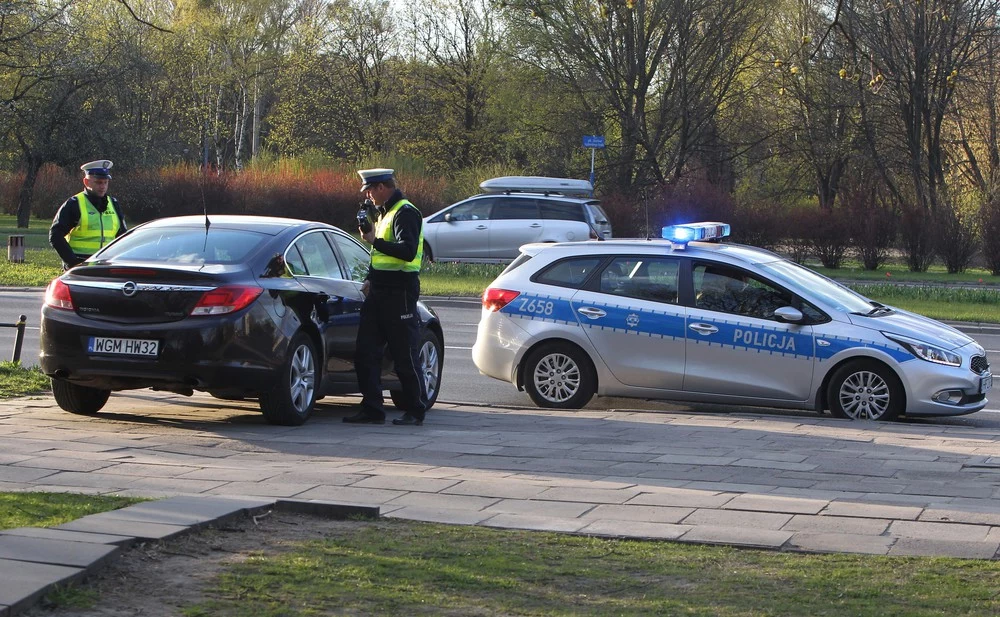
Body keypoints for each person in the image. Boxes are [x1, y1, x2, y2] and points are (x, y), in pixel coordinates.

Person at [344, 168, 428, 426]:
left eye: (370, 190)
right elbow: (379, 258)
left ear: (382, 187)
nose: (368, 196)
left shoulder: (405, 212)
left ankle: (415, 409)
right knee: (366, 352)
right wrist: (370, 277)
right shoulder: (385, 213)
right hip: (379, 290)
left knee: (404, 354)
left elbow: (407, 250)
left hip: (400, 292)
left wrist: (373, 241)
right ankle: (372, 408)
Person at [49, 160, 127, 269]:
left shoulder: (113, 204)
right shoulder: (74, 203)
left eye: (105, 182)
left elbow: (123, 237)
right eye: (98, 182)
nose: (103, 186)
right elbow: (55, 235)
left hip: (107, 265)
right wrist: (73, 263)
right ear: (86, 182)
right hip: (80, 265)